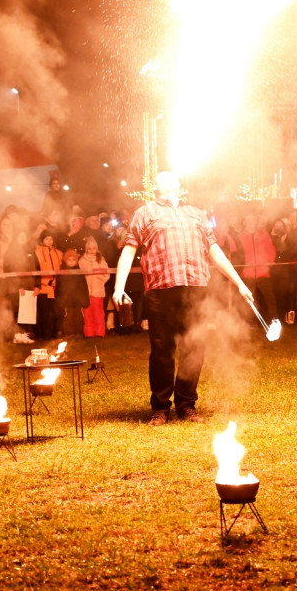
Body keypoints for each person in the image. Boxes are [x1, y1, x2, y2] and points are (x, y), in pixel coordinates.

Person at [112, 172, 255, 425]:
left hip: (195, 288)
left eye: (171, 177)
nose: (167, 180)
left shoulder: (197, 214)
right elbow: (129, 251)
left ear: (179, 185)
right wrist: (118, 287)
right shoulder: (144, 213)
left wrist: (240, 283)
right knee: (161, 350)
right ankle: (160, 408)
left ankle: (186, 404)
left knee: (194, 347)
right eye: (161, 178)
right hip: (160, 289)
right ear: (155, 187)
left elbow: (214, 251)